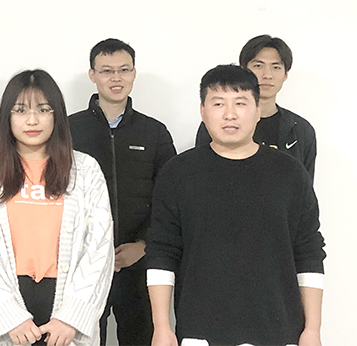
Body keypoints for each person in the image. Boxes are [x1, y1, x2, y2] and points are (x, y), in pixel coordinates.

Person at [146, 65, 325, 346]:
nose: (229, 114)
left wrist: (312, 329)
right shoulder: (178, 173)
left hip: (279, 331)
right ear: (203, 111)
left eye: (240, 103)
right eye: (218, 104)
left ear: (257, 110)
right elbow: (161, 252)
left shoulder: (289, 173)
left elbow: (309, 252)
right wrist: (161, 327)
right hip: (200, 331)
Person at [0, 69, 114, 346]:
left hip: (65, 311)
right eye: (20, 110)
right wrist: (9, 317)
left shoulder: (85, 170)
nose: (32, 120)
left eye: (43, 109)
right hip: (6, 312)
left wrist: (71, 318)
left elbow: (99, 249)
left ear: (57, 115)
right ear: (7, 117)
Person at [68, 38, 176, 346]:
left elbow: (169, 199)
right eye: (106, 71)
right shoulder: (68, 130)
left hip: (139, 263)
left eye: (124, 70)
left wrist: (143, 245)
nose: (116, 78)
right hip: (82, 264)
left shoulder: (154, 132)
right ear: (93, 75)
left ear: (134, 73)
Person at [196, 35, 316, 180]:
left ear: (285, 75)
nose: (267, 75)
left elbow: (304, 185)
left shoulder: (300, 129)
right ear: (244, 70)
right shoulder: (221, 124)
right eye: (258, 66)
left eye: (276, 67)